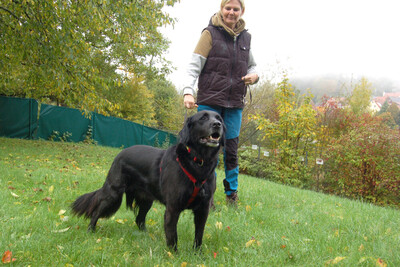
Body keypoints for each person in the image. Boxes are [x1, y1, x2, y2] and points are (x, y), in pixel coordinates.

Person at [182, 0, 259, 205]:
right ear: (221, 9)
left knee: (231, 150)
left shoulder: (246, 38)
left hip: (234, 104)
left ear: (242, 11)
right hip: (209, 102)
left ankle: (231, 194)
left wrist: (254, 76)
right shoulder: (209, 34)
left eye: (236, 9)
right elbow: (193, 65)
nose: (231, 12)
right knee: (204, 148)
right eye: (228, 8)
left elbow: (252, 66)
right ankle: (202, 191)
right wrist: (188, 92)